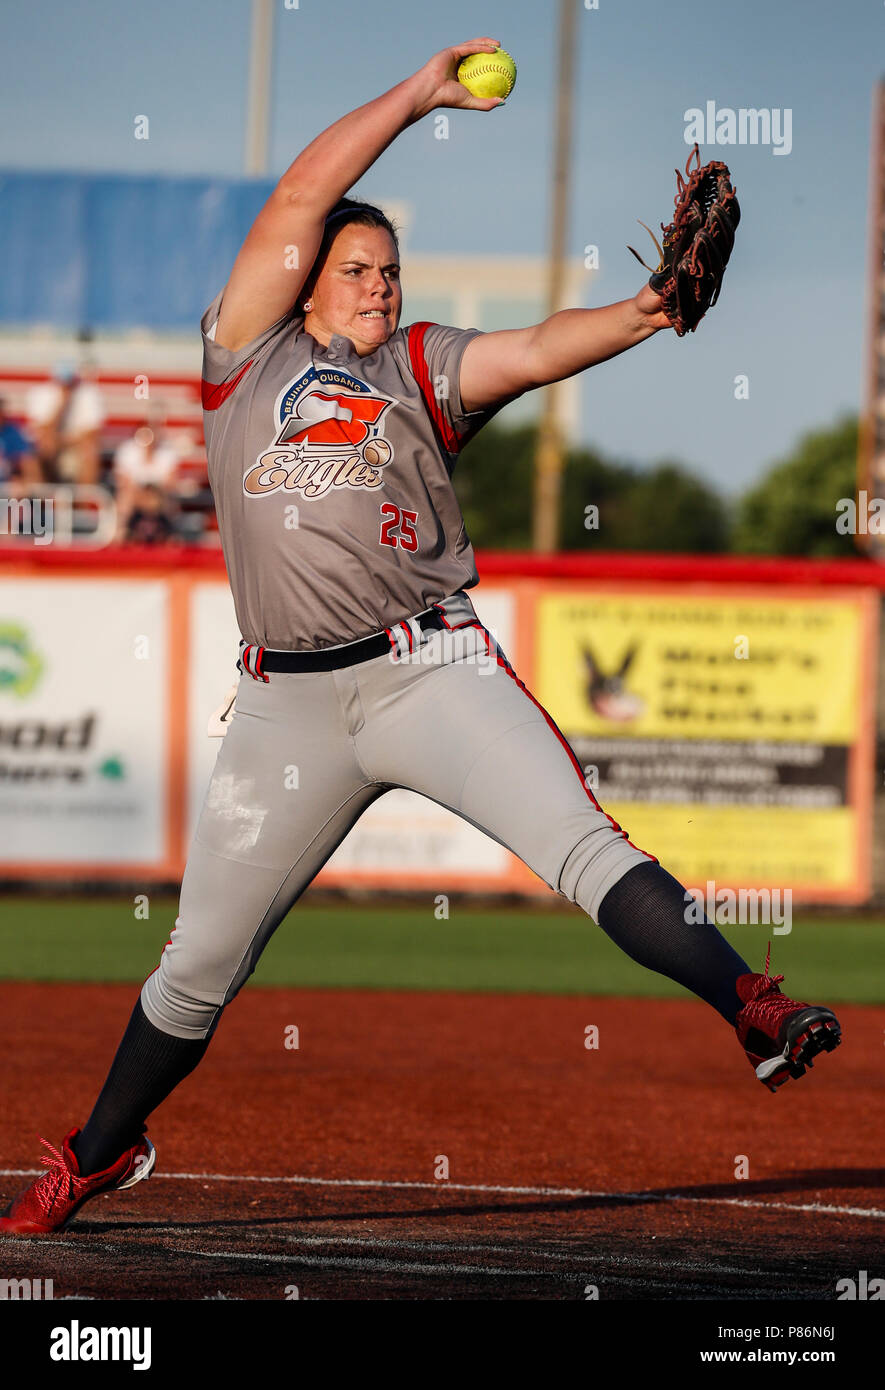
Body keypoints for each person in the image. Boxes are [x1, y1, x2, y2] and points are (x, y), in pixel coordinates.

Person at [0, 37, 841, 1238]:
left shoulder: (419, 366)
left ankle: (752, 1003)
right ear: (303, 282)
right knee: (196, 966)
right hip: (286, 708)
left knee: (583, 846)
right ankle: (95, 1153)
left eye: (389, 270)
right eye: (354, 269)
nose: (378, 286)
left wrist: (647, 311)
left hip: (428, 669)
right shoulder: (246, 359)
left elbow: (536, 349)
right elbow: (302, 192)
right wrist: (417, 98)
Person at [25, 363, 104, 486]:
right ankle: (46, 494)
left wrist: (63, 441)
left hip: (75, 447)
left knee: (89, 450)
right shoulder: (41, 393)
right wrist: (62, 403)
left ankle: (84, 496)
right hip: (60, 444)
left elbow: (92, 433)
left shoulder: (89, 393)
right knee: (45, 446)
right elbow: (43, 431)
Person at [112, 426, 180, 543]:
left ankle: (171, 537)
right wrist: (142, 494)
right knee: (125, 498)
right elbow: (122, 480)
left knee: (166, 500)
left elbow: (171, 482)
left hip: (159, 494)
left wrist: (152, 493)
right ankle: (120, 535)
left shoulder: (168, 453)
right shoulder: (127, 450)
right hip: (135, 494)